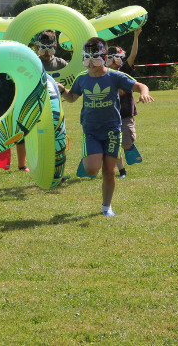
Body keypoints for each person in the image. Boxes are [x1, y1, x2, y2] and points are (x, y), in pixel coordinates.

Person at [58, 37, 154, 217]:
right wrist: (63, 90)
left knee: (109, 172)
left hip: (112, 130)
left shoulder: (114, 76)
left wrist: (144, 93)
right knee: (92, 170)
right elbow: (72, 97)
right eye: (87, 60)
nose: (90, 64)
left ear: (103, 57)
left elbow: (140, 85)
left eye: (94, 60)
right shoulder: (82, 78)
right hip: (91, 131)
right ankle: (94, 155)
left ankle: (106, 206)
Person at [106, 27, 142, 177]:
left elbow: (133, 55)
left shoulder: (125, 70)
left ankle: (130, 148)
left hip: (126, 115)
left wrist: (136, 36)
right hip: (109, 116)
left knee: (125, 143)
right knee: (113, 146)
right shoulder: (102, 73)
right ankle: (122, 170)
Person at [0, 72, 28, 172]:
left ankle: (22, 166)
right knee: (4, 133)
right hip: (2, 101)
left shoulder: (23, 61)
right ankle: (3, 163)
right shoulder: (4, 59)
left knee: (20, 135)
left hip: (18, 101)